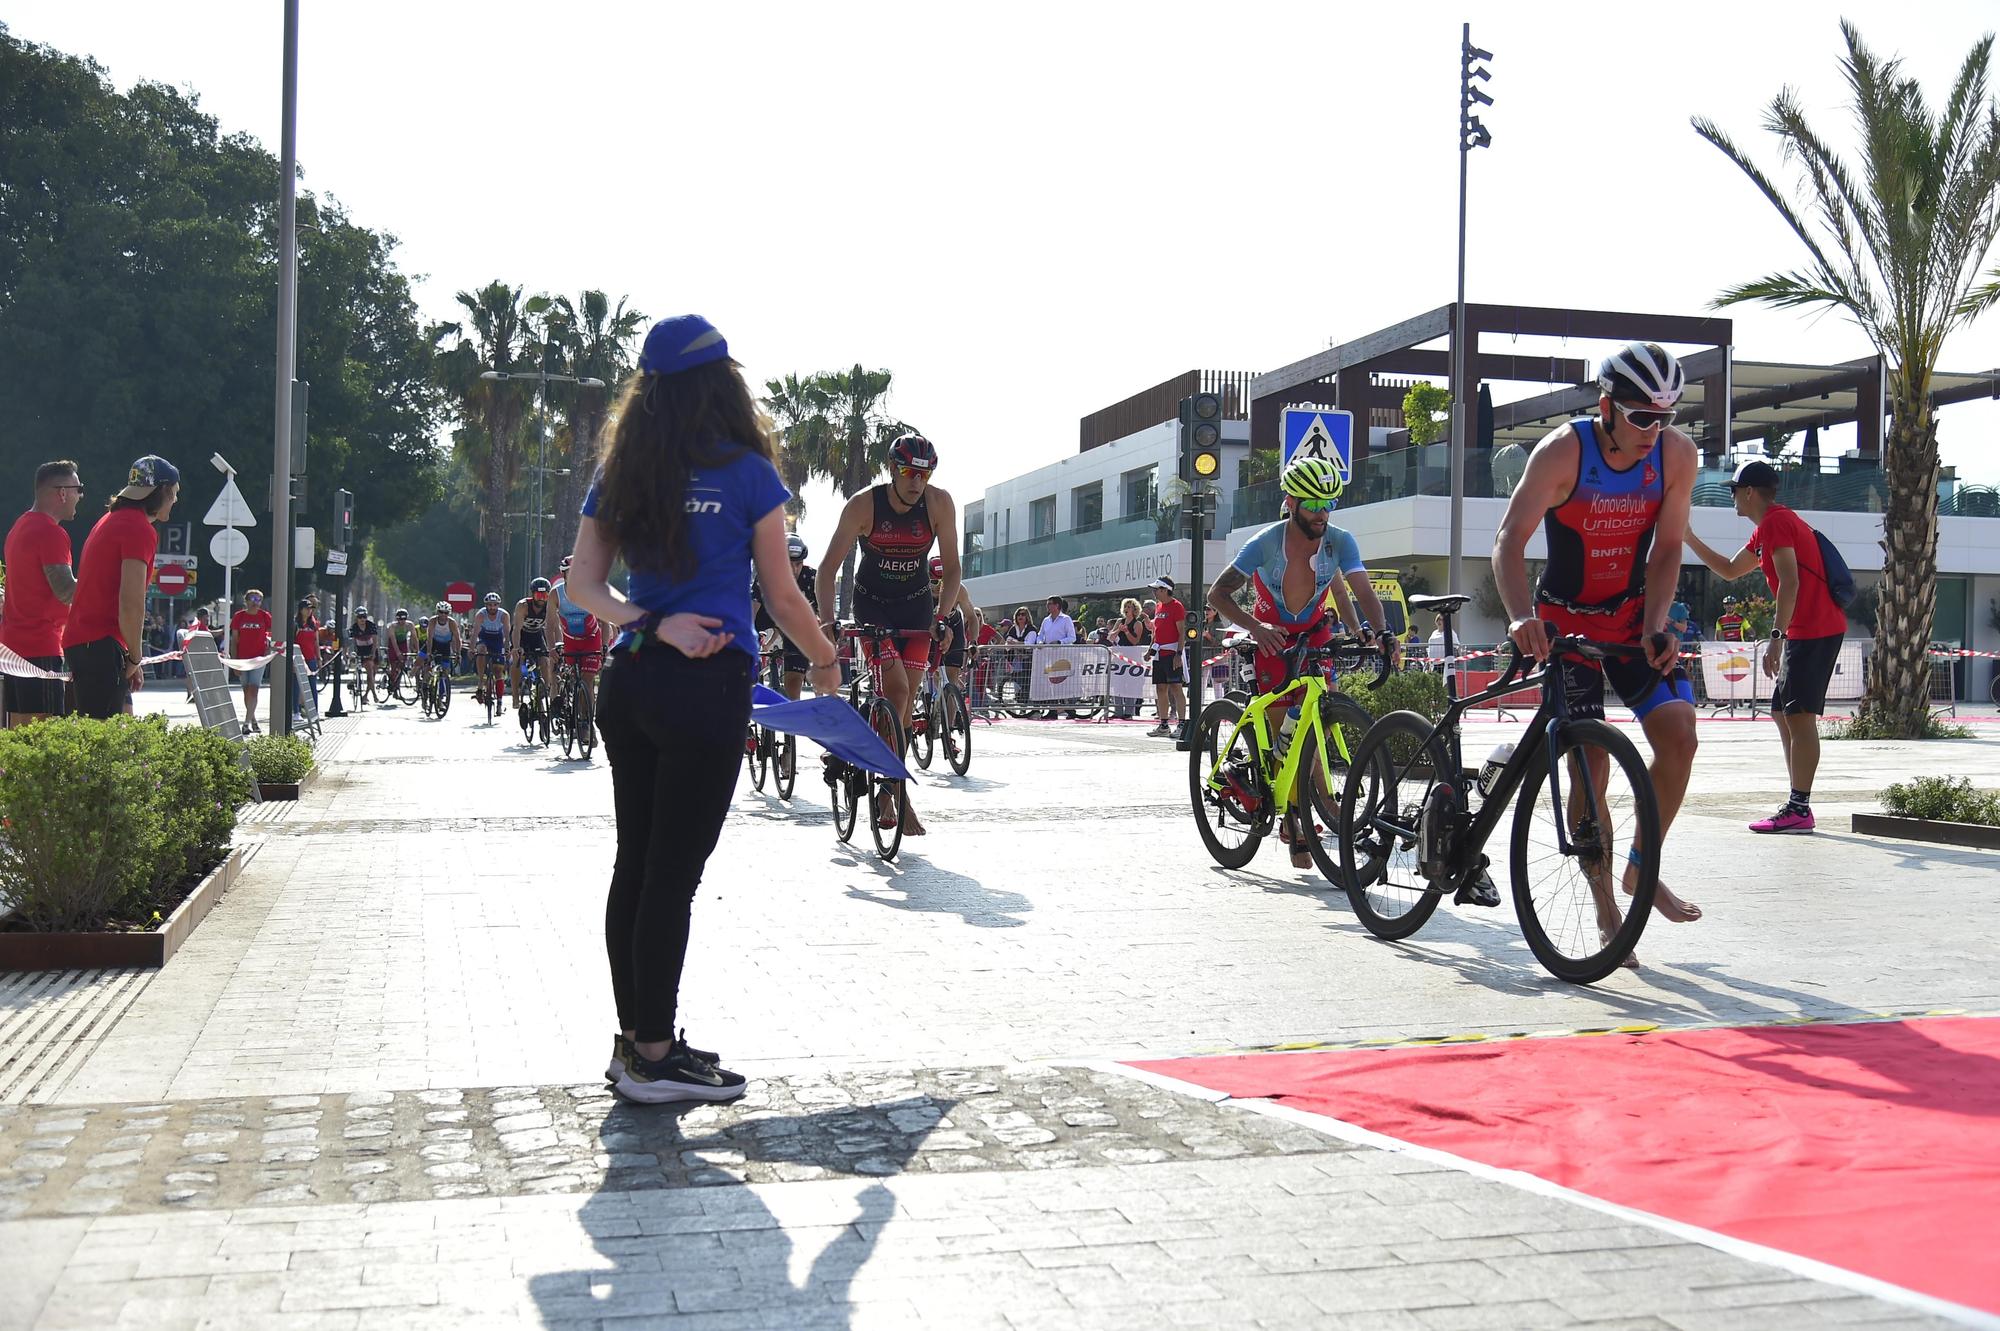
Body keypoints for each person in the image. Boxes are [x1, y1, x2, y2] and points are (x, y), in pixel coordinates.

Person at [561, 313, 838, 1105]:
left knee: (635, 865)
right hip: (706, 688)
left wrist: (651, 622)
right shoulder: (747, 472)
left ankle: (634, 1040)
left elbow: (581, 588)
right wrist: (823, 661)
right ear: (723, 384)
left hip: (632, 681)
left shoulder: (623, 472)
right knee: (673, 877)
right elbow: (782, 595)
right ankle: (655, 1053)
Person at [1492, 341, 1704, 953]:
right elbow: (1509, 540)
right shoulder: (1563, 451)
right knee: (1594, 764)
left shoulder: (1675, 456)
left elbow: (1667, 551)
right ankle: (1608, 903)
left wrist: (1658, 621)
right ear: (1607, 406)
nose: (1654, 431)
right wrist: (1520, 618)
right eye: (1642, 417)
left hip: (1633, 620)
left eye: (1666, 417)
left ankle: (1642, 864)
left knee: (1681, 735)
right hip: (1566, 627)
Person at [1208, 455, 1400, 870]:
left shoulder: (1339, 540)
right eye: (1314, 505)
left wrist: (1376, 630)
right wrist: (1256, 627)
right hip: (1273, 638)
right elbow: (1217, 596)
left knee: (1316, 717)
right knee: (1285, 738)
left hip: (1314, 635)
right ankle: (1293, 811)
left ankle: (1311, 808)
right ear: (1291, 502)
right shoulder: (1263, 542)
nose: (1323, 513)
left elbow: (1358, 590)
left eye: (1330, 504)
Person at [1684, 459, 1846, 834]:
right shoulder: (1768, 527)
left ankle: (1799, 806)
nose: (1732, 497)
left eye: (1734, 490)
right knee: (1781, 712)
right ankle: (1797, 800)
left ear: (1750, 492)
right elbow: (1728, 570)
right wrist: (1688, 538)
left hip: (1815, 629)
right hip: (1805, 631)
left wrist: (1776, 638)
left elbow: (1789, 583)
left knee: (1800, 716)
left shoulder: (1776, 523)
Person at [817, 433, 960, 836]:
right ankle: (899, 792)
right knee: (896, 691)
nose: (917, 481)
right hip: (872, 604)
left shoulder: (938, 503)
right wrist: (828, 623)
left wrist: (945, 617)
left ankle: (883, 788)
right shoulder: (864, 505)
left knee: (905, 701)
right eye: (909, 472)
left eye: (925, 473)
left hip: (916, 605)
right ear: (892, 470)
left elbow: (952, 571)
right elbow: (827, 571)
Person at [63, 455, 178, 719]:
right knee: (101, 744)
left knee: (88, 733)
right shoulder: (139, 529)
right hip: (101, 643)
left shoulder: (110, 520)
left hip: (84, 641)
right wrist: (136, 658)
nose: (175, 500)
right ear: (160, 491)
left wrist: (128, 653)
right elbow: (131, 601)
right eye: (173, 493)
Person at [2, 460, 82, 726]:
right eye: (77, 488)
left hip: (13, 647)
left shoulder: (19, 527)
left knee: (19, 736)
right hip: (41, 647)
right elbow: (65, 590)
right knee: (44, 739)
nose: (79, 496)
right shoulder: (51, 533)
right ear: (61, 492)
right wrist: (101, 582)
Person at [750, 534, 818, 699]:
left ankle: (791, 719)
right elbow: (752, 613)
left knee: (793, 686)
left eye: (798, 564)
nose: (794, 570)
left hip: (796, 628)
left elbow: (821, 618)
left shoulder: (811, 577)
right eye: (789, 564)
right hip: (766, 619)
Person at [550, 555, 605, 727]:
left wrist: (604, 646)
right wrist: (553, 646)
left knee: (588, 679)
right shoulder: (555, 594)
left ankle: (587, 722)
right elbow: (550, 624)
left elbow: (605, 621)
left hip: (591, 639)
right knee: (573, 678)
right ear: (563, 574)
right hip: (570, 640)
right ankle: (566, 703)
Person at [928, 555, 977, 699]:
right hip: (929, 631)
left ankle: (949, 720)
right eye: (934, 582)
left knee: (952, 679)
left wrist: (973, 642)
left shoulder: (959, 590)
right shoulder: (921, 589)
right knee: (934, 674)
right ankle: (932, 705)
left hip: (954, 628)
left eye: (943, 582)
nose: (938, 587)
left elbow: (972, 618)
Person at [229, 590, 276, 732]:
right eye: (253, 598)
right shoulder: (239, 616)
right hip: (242, 659)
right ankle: (253, 720)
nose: (256, 602)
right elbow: (234, 640)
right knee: (246, 691)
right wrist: (234, 661)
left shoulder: (265, 616)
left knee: (253, 690)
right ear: (247, 600)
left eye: (259, 599)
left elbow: (274, 632)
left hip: (258, 659)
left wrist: (269, 648)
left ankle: (245, 724)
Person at [1148, 578, 1187, 736]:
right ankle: (1164, 725)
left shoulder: (1177, 606)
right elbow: (1156, 631)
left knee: (1176, 688)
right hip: (1159, 653)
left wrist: (1178, 654)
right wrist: (1150, 650)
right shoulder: (1158, 607)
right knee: (1161, 688)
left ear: (1165, 589)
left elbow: (1182, 632)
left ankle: (1182, 724)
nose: (1154, 592)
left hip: (1172, 653)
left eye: (1156, 589)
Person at [511, 579, 553, 712]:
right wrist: (517, 647)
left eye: (545, 596)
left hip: (536, 635)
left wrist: (556, 646)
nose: (542, 599)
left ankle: (545, 690)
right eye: (539, 596)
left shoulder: (549, 606)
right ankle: (515, 694)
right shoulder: (523, 605)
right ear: (532, 595)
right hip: (522, 635)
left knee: (545, 661)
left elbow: (554, 627)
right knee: (518, 660)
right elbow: (517, 628)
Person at [1035, 595, 1078, 720]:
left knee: (1065, 682)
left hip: (1063, 655)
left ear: (1057, 605)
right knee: (1051, 682)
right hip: (1049, 655)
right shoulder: (1046, 620)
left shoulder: (1066, 619)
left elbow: (1072, 637)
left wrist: (1059, 642)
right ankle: (1053, 709)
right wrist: (1040, 642)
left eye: (1050, 604)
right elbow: (1040, 635)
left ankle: (1070, 709)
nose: (1047, 606)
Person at [1109, 598, 1149, 718]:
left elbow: (1135, 641)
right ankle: (1118, 711)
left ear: (1134, 610)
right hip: (1119, 657)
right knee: (1117, 684)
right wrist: (1118, 630)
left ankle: (1129, 712)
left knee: (1131, 684)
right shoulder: (1119, 621)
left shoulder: (1137, 623)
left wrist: (1126, 632)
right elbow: (1110, 637)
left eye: (1129, 607)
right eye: (1125, 607)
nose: (1126, 609)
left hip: (1132, 657)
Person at [472, 592, 510, 706]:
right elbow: (475, 633)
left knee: (498, 671)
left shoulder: (504, 615)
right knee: (481, 650)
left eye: (495, 605)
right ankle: (480, 680)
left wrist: (507, 648)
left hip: (498, 640)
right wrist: (471, 648)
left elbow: (507, 634)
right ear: (486, 605)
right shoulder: (481, 614)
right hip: (484, 638)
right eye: (489, 605)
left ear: (498, 605)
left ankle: (499, 700)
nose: (492, 607)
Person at [348, 606, 380, 704]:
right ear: (356, 618)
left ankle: (365, 695)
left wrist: (373, 653)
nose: (362, 619)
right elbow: (351, 642)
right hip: (361, 649)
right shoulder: (353, 628)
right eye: (360, 617)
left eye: (364, 617)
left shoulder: (371, 625)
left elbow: (375, 641)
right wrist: (350, 654)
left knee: (372, 675)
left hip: (371, 648)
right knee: (369, 671)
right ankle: (374, 694)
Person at [385, 608, 416, 697]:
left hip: (403, 643)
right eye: (399, 619)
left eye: (404, 619)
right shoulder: (392, 626)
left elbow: (414, 638)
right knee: (394, 667)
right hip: (393, 644)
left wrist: (417, 651)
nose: (402, 621)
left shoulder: (410, 625)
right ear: (396, 619)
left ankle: (397, 687)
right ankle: (391, 681)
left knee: (401, 667)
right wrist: (398, 653)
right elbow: (393, 641)